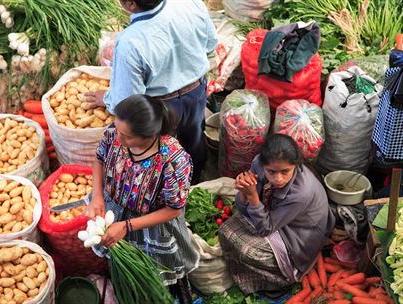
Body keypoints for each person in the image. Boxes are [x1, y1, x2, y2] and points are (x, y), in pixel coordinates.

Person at [85, 0, 218, 183]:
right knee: (193, 137)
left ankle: (165, 190)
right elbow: (210, 44)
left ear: (131, 4)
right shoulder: (190, 3)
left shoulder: (129, 42)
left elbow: (127, 100)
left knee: (157, 153)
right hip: (196, 91)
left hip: (161, 105)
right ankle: (194, 180)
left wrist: (107, 98)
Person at [85, 94, 199, 303]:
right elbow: (99, 159)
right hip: (114, 211)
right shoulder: (115, 132)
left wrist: (127, 226)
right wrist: (98, 197)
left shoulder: (172, 160)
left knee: (153, 271)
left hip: (150, 223)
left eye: (127, 137)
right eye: (118, 131)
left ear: (150, 134)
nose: (119, 139)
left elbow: (174, 209)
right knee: (121, 262)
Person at [219, 134, 335, 295]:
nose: (278, 179)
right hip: (277, 218)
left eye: (285, 171)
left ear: (295, 165)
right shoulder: (258, 164)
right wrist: (244, 192)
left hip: (298, 238)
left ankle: (281, 281)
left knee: (247, 250)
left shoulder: (301, 193)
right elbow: (243, 208)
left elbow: (266, 228)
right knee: (225, 229)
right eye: (271, 172)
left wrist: (252, 197)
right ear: (263, 164)